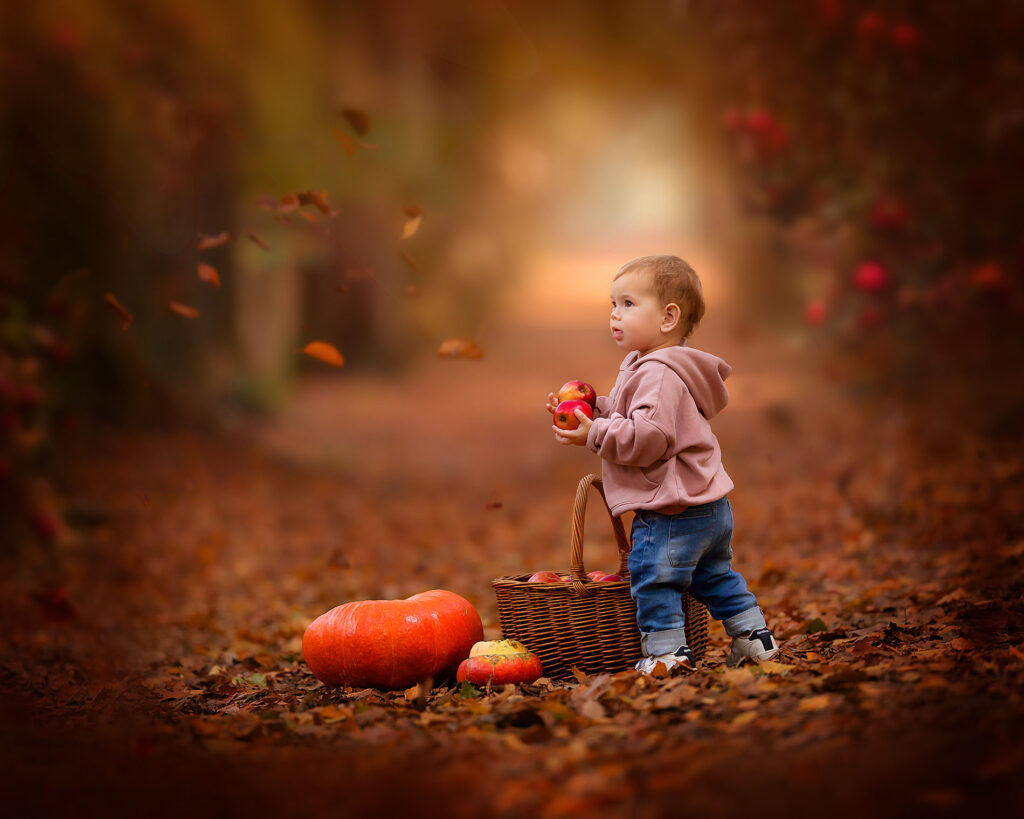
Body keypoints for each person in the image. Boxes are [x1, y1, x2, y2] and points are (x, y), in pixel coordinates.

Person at [546, 254, 779, 675]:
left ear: (669, 316)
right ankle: (754, 637)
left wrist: (593, 435)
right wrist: (589, 411)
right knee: (713, 577)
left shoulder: (658, 374)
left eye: (629, 304)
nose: (615, 315)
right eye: (612, 305)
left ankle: (667, 653)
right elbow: (630, 414)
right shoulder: (654, 366)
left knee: (653, 578)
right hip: (709, 506)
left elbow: (648, 439)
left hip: (670, 511)